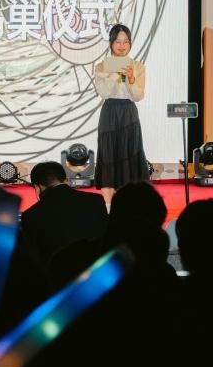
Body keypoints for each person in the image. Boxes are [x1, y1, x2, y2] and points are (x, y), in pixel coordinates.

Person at [92, 24, 148, 201]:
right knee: (108, 155)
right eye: (118, 42)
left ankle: (129, 203)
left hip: (129, 112)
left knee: (130, 154)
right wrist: (114, 73)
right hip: (109, 112)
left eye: (126, 42)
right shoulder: (101, 67)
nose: (122, 46)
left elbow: (138, 96)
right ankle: (108, 205)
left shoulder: (138, 66)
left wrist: (131, 78)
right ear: (111, 43)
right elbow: (104, 93)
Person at [20, 161, 108, 266]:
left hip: (56, 271)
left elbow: (33, 257)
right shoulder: (95, 200)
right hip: (97, 267)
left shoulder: (30, 215)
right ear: (66, 180)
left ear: (37, 187)